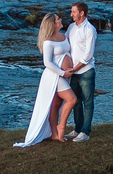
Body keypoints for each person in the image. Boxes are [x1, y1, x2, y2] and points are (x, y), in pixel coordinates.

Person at [14, 13, 78, 148]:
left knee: (55, 104)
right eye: (58, 19)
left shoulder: (63, 36)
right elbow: (47, 63)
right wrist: (63, 72)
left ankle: (54, 134)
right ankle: (61, 127)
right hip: (54, 76)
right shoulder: (48, 42)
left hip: (65, 75)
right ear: (52, 24)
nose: (61, 20)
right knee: (72, 99)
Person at [62, 1, 96, 143]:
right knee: (75, 101)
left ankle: (85, 132)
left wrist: (74, 69)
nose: (71, 14)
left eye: (74, 12)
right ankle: (77, 129)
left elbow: (88, 55)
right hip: (73, 72)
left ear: (81, 13)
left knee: (87, 102)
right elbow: (64, 43)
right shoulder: (71, 27)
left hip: (86, 72)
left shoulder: (90, 29)